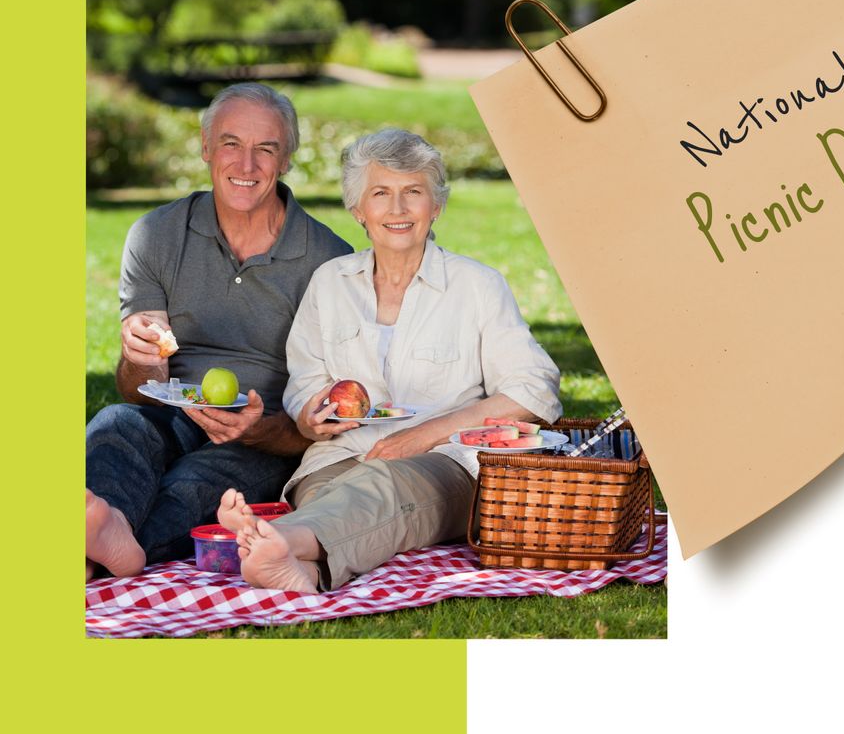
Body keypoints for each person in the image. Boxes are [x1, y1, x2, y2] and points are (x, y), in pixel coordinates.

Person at [216, 128, 561, 593]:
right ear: (359, 209)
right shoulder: (330, 283)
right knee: (329, 496)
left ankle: (277, 536)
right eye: (381, 193)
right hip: (340, 455)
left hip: (446, 464)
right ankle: (303, 572)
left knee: (384, 488)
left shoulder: (476, 286)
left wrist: (420, 437)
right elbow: (304, 382)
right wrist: (310, 418)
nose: (397, 210)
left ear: (435, 206)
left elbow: (534, 390)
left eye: (412, 193)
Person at [85, 83, 352, 581]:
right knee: (115, 425)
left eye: (265, 149)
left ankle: (103, 556)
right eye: (231, 143)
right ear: (206, 148)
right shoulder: (155, 234)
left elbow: (325, 423)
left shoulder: (329, 262)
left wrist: (263, 431)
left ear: (287, 158)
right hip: (172, 414)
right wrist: (142, 356)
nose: (245, 165)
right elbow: (134, 391)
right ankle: (101, 539)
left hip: (263, 438)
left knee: (196, 484)